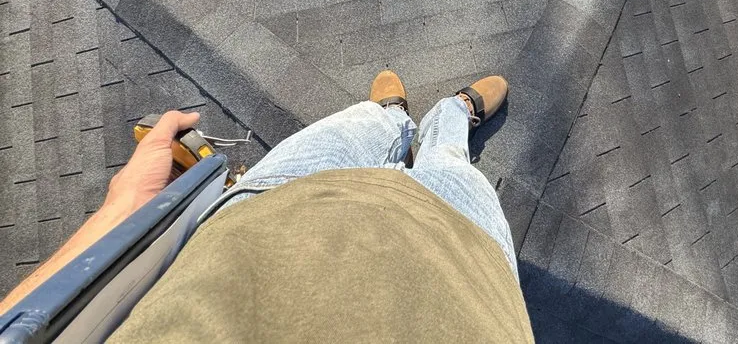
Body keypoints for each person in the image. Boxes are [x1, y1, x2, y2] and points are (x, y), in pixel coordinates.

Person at [1, 72, 534, 343]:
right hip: (461, 259)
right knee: (448, 154)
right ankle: (453, 112)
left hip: (270, 214)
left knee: (363, 124)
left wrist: (121, 211)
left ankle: (391, 116)